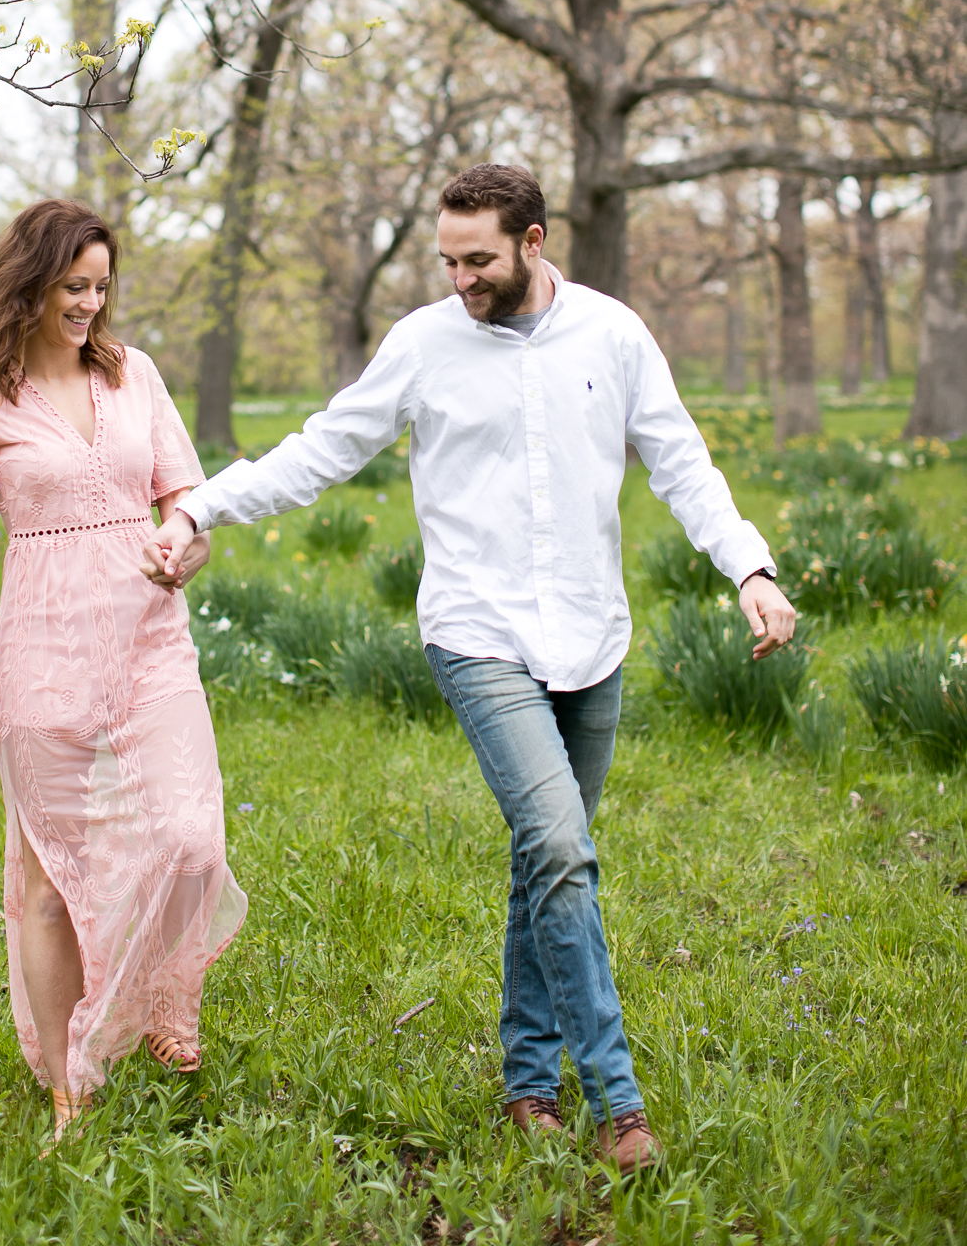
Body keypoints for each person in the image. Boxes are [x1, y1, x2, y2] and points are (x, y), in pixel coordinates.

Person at [142, 163, 796, 1175]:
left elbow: (678, 458)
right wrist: (199, 506)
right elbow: (323, 447)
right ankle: (617, 1102)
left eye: (478, 257)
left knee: (547, 858)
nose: (459, 277)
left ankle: (528, 1083)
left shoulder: (613, 334)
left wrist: (746, 565)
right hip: (476, 630)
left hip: (591, 633)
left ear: (533, 241)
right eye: (446, 258)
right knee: (558, 844)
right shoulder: (423, 343)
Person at [0, 198, 246, 1151]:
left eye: (101, 288)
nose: (89, 306)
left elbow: (186, 496)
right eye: (72, 287)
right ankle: (72, 1083)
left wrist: (188, 544)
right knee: (52, 883)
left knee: (190, 843)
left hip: (151, 639)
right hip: (43, 652)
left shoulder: (133, 374)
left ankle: (143, 1005)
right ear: (29, 282)